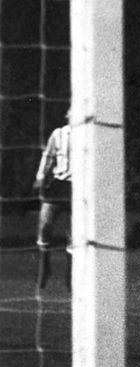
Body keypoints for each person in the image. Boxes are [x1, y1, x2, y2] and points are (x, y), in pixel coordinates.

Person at [33, 114, 71, 289]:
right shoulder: (58, 133)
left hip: (79, 187)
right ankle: (44, 267)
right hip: (58, 184)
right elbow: (48, 156)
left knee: (74, 234)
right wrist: (40, 177)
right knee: (45, 225)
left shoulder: (89, 134)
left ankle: (70, 276)